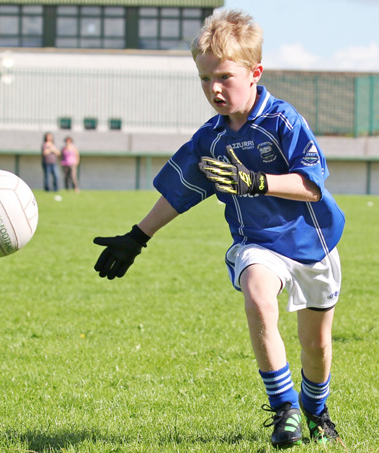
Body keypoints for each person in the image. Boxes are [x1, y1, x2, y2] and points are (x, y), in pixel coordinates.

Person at [93, 9, 347, 450]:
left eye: (225, 76)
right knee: (256, 292)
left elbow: (310, 184)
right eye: (205, 78)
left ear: (255, 73)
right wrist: (137, 237)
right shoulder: (208, 139)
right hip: (258, 245)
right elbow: (180, 191)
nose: (214, 88)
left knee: (317, 347)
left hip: (313, 244)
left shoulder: (283, 121)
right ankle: (284, 409)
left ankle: (316, 409)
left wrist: (257, 181)